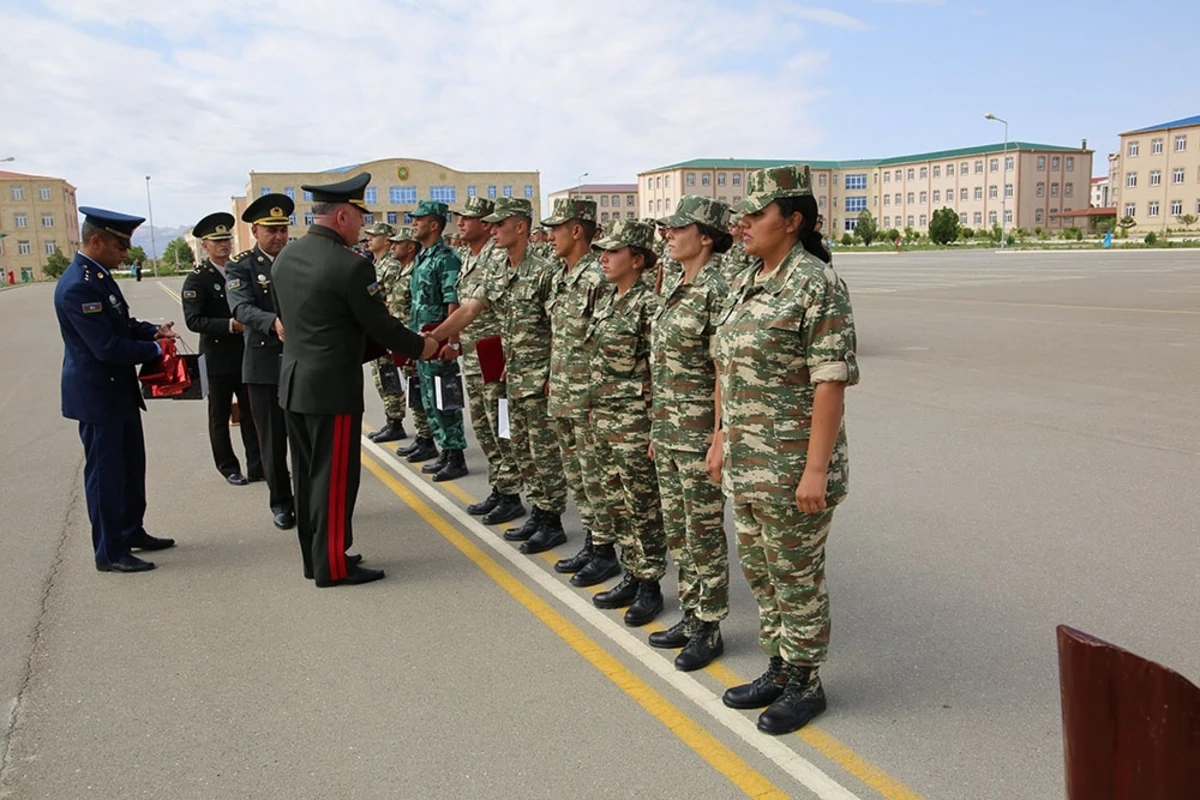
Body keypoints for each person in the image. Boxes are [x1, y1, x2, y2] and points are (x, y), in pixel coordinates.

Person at [711, 165, 854, 735]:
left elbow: (831, 380)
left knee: (795, 575)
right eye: (743, 212)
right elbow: (727, 365)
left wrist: (815, 468)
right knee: (762, 571)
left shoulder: (815, 283)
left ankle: (806, 681)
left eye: (757, 213)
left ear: (793, 221)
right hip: (748, 464)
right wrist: (721, 435)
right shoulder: (749, 277)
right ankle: (779, 666)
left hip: (793, 466)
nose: (743, 222)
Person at [271, 172, 437, 587]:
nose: (362, 227)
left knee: (308, 477)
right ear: (342, 216)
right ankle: (333, 565)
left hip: (294, 384)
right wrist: (427, 347)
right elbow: (380, 326)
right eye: (359, 217)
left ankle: (316, 557)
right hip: (331, 390)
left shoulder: (285, 258)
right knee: (334, 480)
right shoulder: (349, 266)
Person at [426, 198, 568, 540]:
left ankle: (551, 520)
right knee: (519, 446)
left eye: (499, 224)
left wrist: (552, 373)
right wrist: (433, 337)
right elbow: (471, 308)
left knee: (543, 451)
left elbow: (559, 328)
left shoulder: (545, 270)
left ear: (520, 226)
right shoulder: (499, 268)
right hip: (511, 372)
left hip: (537, 377)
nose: (492, 229)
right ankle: (537, 510)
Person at [54, 207, 178, 573]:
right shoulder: (79, 284)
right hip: (97, 396)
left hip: (117, 392)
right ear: (96, 241)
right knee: (106, 476)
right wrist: (154, 351)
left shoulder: (99, 277)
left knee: (129, 468)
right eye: (120, 246)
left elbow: (120, 323)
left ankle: (130, 530)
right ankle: (110, 551)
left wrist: (151, 331)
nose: (126, 253)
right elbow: (106, 346)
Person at [649, 196, 735, 671]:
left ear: (706, 236)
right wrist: (656, 429)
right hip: (669, 429)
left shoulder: (717, 287)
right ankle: (690, 611)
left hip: (700, 431)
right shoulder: (678, 283)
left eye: (678, 229)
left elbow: (724, 369)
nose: (668, 235)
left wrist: (720, 435)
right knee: (679, 530)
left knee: (702, 532)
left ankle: (709, 625)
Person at [585, 219, 667, 626]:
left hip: (634, 421)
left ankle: (650, 584)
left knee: (642, 507)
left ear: (637, 259)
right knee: (616, 503)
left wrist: (655, 427)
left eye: (613, 252)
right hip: (605, 417)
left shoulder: (648, 307)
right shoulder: (606, 300)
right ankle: (632, 573)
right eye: (602, 250)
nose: (603, 257)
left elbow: (658, 372)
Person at [544, 198, 611, 565]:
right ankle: (592, 538)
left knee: (594, 474)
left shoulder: (597, 277)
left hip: (587, 397)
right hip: (563, 391)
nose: (550, 235)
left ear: (577, 230)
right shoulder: (561, 274)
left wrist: (595, 397)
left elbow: (605, 341)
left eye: (557, 228)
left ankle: (604, 548)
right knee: (577, 475)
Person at [450, 196, 524, 524]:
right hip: (472, 355)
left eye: (469, 218)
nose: (461, 223)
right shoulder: (467, 257)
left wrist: (434, 337)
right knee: (484, 427)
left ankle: (510, 492)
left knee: (502, 427)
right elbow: (460, 304)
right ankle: (499, 485)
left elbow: (475, 308)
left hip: (496, 358)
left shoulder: (498, 259)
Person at [227, 193, 295, 530]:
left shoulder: (297, 259)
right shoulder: (241, 265)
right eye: (272, 230)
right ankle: (282, 502)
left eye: (283, 229)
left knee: (304, 437)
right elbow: (240, 308)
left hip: (299, 363)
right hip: (265, 366)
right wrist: (272, 322)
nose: (279, 236)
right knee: (272, 440)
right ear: (255, 231)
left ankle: (311, 499)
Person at [182, 212, 263, 487]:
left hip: (245, 354)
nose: (224, 245)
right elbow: (194, 320)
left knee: (252, 412)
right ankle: (228, 467)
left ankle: (258, 465)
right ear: (205, 245)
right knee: (219, 415)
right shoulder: (197, 279)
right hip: (216, 358)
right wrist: (230, 325)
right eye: (217, 241)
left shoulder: (239, 270)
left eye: (227, 239)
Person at [409, 200, 468, 481]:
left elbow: (452, 302)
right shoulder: (422, 257)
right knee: (430, 398)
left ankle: (456, 455)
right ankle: (445, 450)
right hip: (424, 340)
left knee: (446, 398)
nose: (413, 223)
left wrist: (452, 341)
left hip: (440, 338)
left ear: (434, 224)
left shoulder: (446, 257)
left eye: (419, 219)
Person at [387, 227, 435, 461]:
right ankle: (421, 436)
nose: (392, 246)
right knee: (412, 389)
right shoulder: (401, 271)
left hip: (412, 340)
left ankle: (426, 438)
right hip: (401, 341)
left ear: (410, 247)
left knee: (418, 389)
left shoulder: (415, 271)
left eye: (398, 242)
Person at [361, 221, 409, 444]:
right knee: (382, 377)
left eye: (374, 235)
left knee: (390, 377)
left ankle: (395, 421)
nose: (369, 239)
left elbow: (391, 302)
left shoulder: (390, 266)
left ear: (387, 241)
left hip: (386, 330)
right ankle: (391, 419)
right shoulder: (376, 264)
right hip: (376, 330)